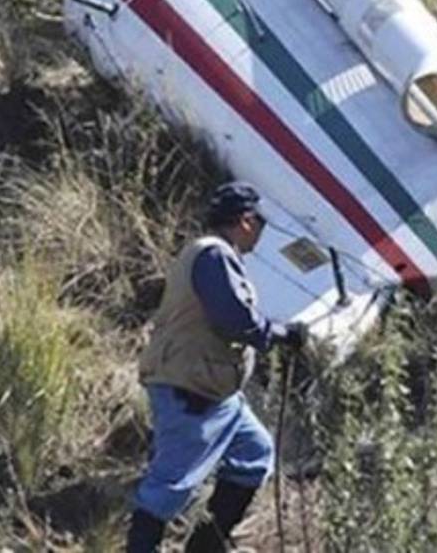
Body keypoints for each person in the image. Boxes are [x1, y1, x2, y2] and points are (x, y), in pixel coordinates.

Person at [126, 182, 307, 553]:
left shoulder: (215, 255)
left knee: (254, 456)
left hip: (216, 393)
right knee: (167, 488)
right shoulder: (214, 255)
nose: (262, 231)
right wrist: (282, 334)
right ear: (245, 221)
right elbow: (234, 319)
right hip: (190, 389)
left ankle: (205, 548)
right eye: (261, 222)